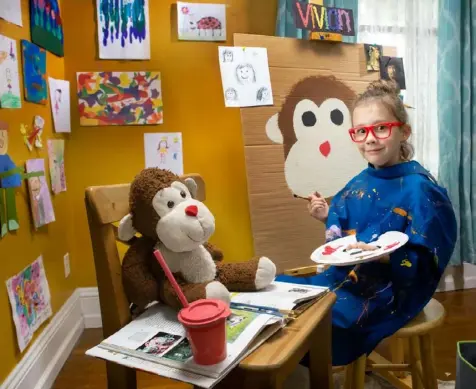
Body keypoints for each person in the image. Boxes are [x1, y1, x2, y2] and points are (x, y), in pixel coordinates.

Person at [275, 80, 457, 367]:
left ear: (403, 132)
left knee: (315, 326)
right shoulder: (361, 181)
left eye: (380, 128)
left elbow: (429, 257)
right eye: (361, 131)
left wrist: (386, 254)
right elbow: (346, 230)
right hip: (346, 278)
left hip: (387, 291)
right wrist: (327, 218)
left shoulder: (421, 190)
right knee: (279, 291)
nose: (370, 139)